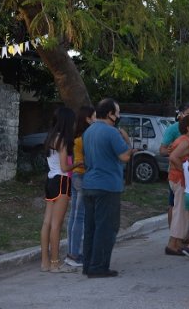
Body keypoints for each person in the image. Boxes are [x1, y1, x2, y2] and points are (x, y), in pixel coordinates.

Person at [82, 98, 135, 278]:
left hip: (89, 184)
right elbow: (125, 157)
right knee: (106, 228)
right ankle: (98, 267)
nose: (119, 116)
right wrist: (128, 142)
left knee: (91, 227)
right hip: (107, 186)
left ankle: (88, 264)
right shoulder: (112, 132)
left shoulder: (88, 131)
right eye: (117, 113)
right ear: (110, 114)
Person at [40, 107, 82, 272]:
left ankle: (45, 262)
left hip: (50, 180)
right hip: (62, 181)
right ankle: (55, 263)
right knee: (56, 225)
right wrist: (78, 164)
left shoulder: (51, 138)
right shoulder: (63, 141)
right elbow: (65, 167)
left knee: (47, 223)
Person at [65, 105, 96, 268]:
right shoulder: (85, 137)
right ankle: (74, 254)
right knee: (79, 216)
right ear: (88, 119)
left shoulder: (78, 136)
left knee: (75, 215)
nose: (97, 120)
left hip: (77, 176)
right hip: (82, 176)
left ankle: (73, 252)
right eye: (95, 117)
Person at [165, 114, 189, 256]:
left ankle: (178, 243)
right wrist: (185, 172)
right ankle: (172, 244)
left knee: (183, 213)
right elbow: (173, 157)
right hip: (180, 180)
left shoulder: (184, 140)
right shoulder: (185, 142)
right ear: (188, 128)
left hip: (178, 179)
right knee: (180, 213)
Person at [159, 103, 189, 230]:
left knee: (188, 206)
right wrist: (173, 152)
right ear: (181, 114)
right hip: (178, 175)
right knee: (175, 205)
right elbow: (163, 151)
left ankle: (184, 235)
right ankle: (174, 236)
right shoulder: (174, 129)